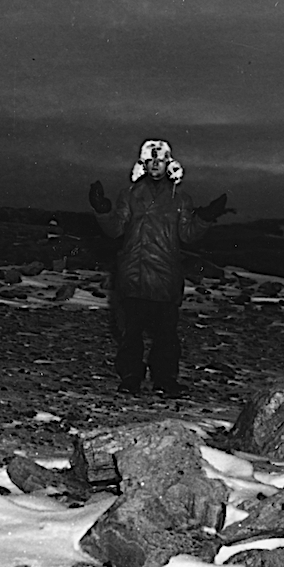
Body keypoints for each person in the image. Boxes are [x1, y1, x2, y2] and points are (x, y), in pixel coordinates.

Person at [88, 139, 226, 397]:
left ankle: (165, 378)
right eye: (150, 160)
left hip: (165, 276)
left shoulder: (180, 198)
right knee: (131, 333)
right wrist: (103, 209)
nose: (155, 165)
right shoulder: (129, 195)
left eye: (160, 161)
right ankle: (130, 377)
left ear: (168, 164)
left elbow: (187, 235)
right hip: (133, 274)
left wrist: (205, 218)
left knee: (166, 334)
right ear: (142, 163)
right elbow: (116, 229)